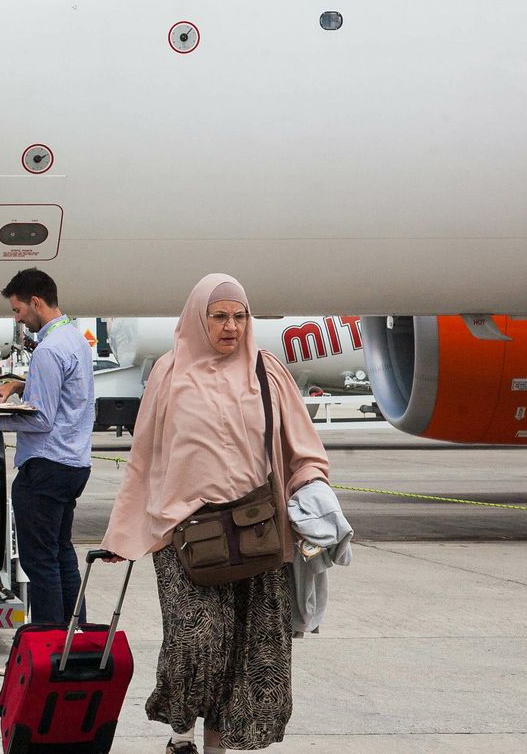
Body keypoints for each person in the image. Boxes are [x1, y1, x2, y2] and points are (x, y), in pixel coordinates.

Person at [100, 274, 330, 753]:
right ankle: (180, 738)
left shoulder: (268, 372)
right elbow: (143, 457)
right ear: (197, 318)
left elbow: (304, 450)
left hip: (258, 535)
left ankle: (216, 747)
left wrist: (314, 491)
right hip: (185, 535)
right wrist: (122, 535)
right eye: (219, 316)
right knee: (194, 647)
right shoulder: (169, 372)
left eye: (239, 316)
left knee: (252, 658)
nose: (231, 327)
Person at [0, 270, 94, 624]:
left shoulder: (48, 350)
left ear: (35, 303)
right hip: (74, 463)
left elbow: (41, 419)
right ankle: (75, 640)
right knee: (61, 556)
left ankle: (47, 646)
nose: (18, 319)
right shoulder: (74, 340)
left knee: (39, 562)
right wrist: (15, 386)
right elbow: (64, 393)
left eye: (17, 310)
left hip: (45, 464)